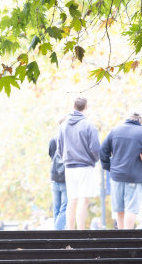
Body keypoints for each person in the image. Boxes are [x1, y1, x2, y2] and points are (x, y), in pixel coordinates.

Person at [57, 96, 100, 230]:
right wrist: (94, 160)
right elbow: (95, 148)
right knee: (83, 199)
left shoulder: (63, 126)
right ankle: (81, 230)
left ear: (73, 106)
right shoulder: (88, 125)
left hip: (69, 167)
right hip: (84, 166)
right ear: (86, 107)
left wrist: (66, 158)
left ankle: (70, 230)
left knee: (72, 199)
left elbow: (59, 148)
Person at [100, 111, 142, 229]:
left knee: (119, 209)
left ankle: (120, 237)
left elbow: (103, 151)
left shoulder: (115, 130)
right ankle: (128, 238)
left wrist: (108, 167)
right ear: (140, 121)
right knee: (131, 209)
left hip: (116, 176)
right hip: (134, 176)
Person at [49, 119, 67, 230]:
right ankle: (58, 232)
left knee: (56, 207)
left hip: (54, 177)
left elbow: (51, 156)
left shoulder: (53, 140)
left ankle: (56, 233)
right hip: (65, 178)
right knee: (65, 207)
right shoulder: (69, 140)